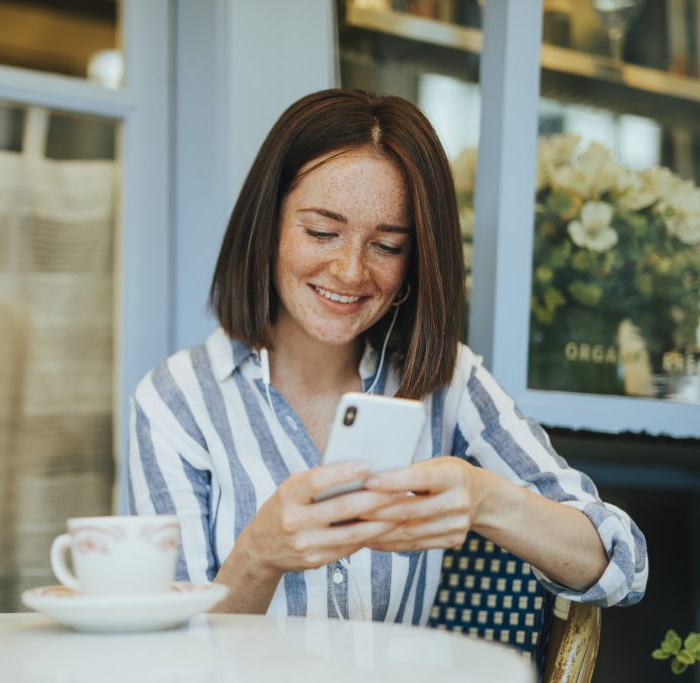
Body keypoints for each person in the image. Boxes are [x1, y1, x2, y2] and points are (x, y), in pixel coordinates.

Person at [127, 88, 647, 622]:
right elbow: (174, 649)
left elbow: (621, 566)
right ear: (268, 226)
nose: (351, 272)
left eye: (388, 246)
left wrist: (484, 500)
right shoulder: (177, 401)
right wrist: (258, 556)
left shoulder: (450, 381)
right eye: (322, 231)